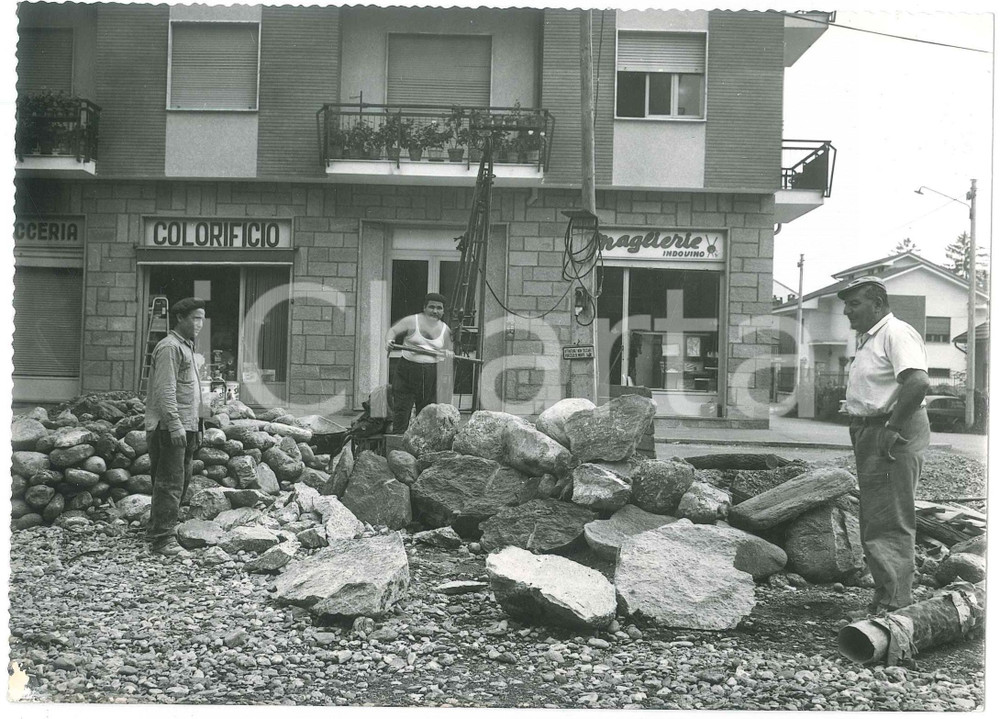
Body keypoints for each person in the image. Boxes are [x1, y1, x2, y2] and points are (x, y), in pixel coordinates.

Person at [838, 276, 931, 614]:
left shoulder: (895, 332)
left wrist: (893, 427)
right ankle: (885, 600)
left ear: (877, 304)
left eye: (854, 304)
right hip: (873, 429)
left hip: (891, 429)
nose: (847, 312)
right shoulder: (870, 339)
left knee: (890, 518)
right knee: (877, 516)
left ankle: (893, 608)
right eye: (846, 305)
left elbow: (918, 381)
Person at [145, 297, 207, 556]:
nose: (200, 324)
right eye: (195, 318)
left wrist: (199, 424)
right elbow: (165, 391)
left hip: (187, 425)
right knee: (169, 483)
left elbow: (193, 393)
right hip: (171, 427)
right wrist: (175, 425)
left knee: (180, 481)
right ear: (180, 318)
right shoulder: (170, 347)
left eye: (203, 319)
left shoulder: (188, 348)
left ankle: (158, 529)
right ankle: (162, 540)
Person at [384, 292, 452, 433]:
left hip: (430, 374)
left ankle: (420, 450)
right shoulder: (411, 321)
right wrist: (389, 341)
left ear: (443, 311)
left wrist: (448, 353)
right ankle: (397, 447)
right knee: (402, 412)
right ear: (424, 308)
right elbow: (393, 331)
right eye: (431, 307)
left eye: (439, 308)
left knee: (426, 414)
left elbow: (449, 350)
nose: (435, 311)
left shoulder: (446, 330)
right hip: (406, 372)